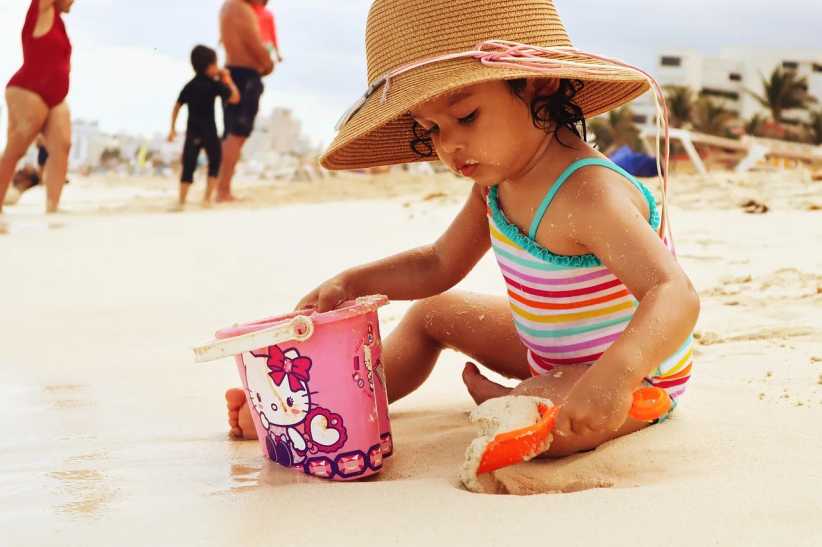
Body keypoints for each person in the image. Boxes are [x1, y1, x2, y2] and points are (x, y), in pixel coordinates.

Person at [226, 0, 699, 458]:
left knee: (550, 420)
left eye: (466, 116)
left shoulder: (590, 194)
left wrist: (616, 374)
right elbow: (437, 263)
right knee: (433, 314)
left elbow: (673, 291)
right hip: (549, 352)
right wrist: (353, 281)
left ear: (538, 83)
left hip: (638, 369)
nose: (449, 145)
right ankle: (329, 403)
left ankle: (522, 404)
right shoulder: (495, 187)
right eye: (431, 128)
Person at [0, 0, 75, 214]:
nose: (74, 1)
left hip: (56, 98)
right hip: (29, 88)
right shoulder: (42, 10)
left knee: (63, 144)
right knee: (18, 146)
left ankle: (53, 207)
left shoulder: (60, 24)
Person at [216, 0, 275, 202]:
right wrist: (269, 63)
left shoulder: (227, 7)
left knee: (230, 134)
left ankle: (219, 189)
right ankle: (223, 191)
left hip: (232, 73)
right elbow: (256, 48)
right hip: (245, 76)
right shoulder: (242, 8)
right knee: (237, 134)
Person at [169, 45, 240, 210]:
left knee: (188, 165)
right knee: (214, 163)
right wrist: (227, 78)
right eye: (216, 64)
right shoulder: (215, 84)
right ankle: (207, 200)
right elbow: (235, 98)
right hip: (209, 131)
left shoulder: (190, 85)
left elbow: (177, 106)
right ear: (210, 66)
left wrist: (172, 128)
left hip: (193, 132)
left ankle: (182, 201)